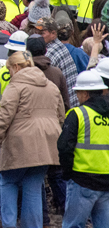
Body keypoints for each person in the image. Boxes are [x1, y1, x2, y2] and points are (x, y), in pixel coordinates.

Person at [0, 51, 65, 228]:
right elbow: (61, 117)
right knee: (34, 189)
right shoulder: (51, 86)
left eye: (10, 69)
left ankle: (9, 225)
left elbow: (2, 118)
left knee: (7, 183)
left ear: (17, 67)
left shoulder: (15, 87)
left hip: (18, 145)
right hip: (46, 146)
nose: (10, 73)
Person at [59, 70, 109, 228]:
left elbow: (64, 146)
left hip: (82, 180)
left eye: (78, 92)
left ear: (85, 94)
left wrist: (67, 173)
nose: (77, 96)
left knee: (73, 225)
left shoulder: (78, 114)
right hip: (106, 181)